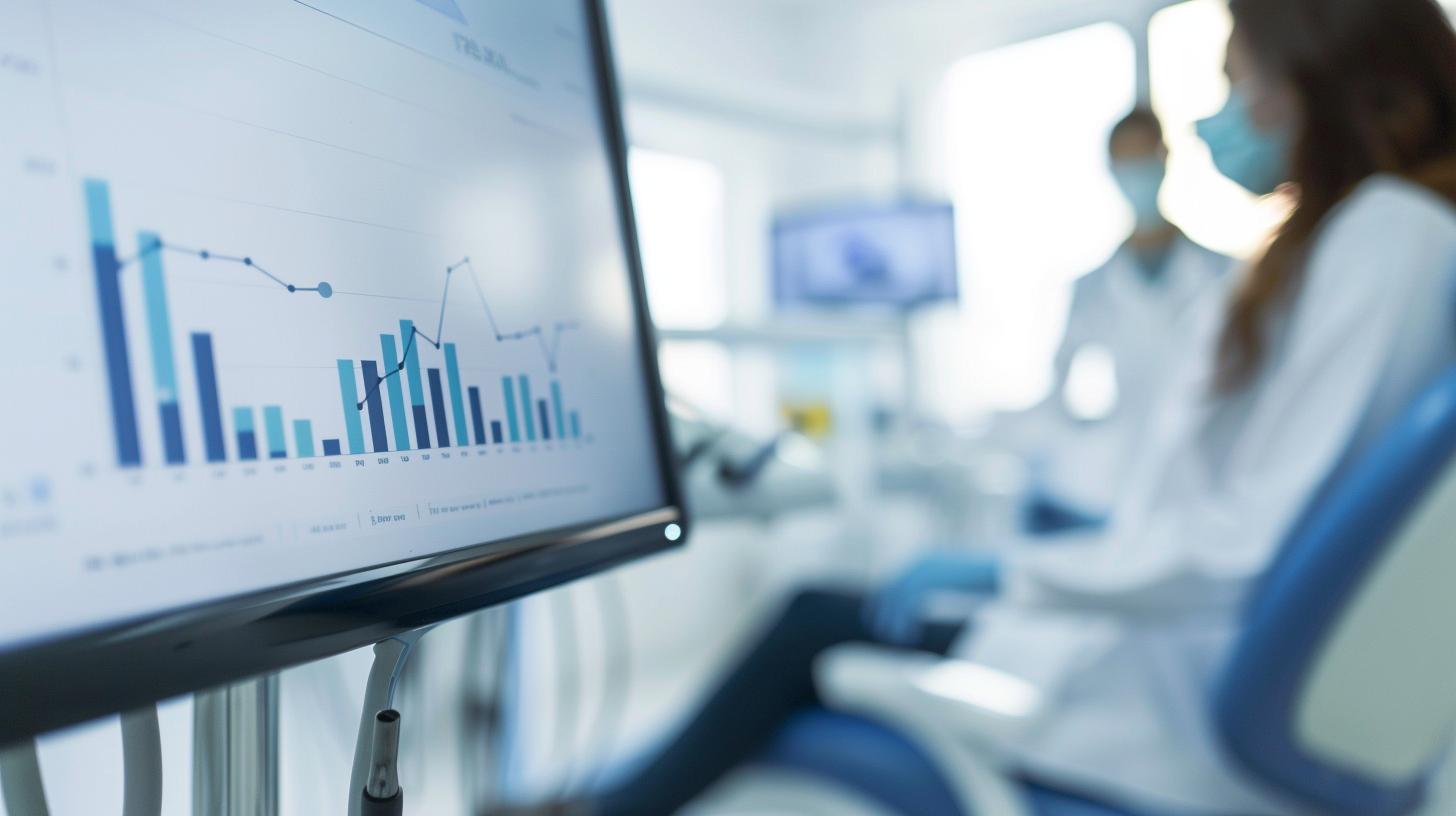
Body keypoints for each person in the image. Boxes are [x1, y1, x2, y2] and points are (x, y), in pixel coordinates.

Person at [496, 0, 1456, 812]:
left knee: (809, 620)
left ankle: (593, 806)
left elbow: (1240, 537)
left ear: (1320, 73)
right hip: (1149, 626)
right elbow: (1099, 421)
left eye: (1244, 80)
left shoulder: (1385, 236)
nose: (1232, 113)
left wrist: (1011, 573)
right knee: (820, 622)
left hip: (1158, 681)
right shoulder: (1366, 240)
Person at [1019, 109, 1232, 521]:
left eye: (1144, 159)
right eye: (1126, 163)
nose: (1137, 174)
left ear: (1165, 158)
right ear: (1111, 171)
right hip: (1116, 485)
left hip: (1205, 475)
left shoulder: (1225, 274)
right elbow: (1059, 392)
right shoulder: (1090, 289)